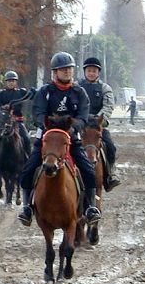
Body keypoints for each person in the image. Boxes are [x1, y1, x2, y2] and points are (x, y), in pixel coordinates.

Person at [18, 51, 101, 227]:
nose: (67, 72)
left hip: (71, 139)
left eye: (69, 69)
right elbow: (38, 113)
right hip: (47, 139)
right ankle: (27, 207)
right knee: (27, 170)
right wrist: (46, 126)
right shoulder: (44, 92)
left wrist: (72, 129)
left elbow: (83, 116)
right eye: (63, 70)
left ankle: (90, 208)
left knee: (88, 171)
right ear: (55, 72)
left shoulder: (79, 92)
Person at [78, 56, 121, 191]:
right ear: (84, 71)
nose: (91, 73)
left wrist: (99, 119)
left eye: (94, 71)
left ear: (98, 73)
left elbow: (108, 106)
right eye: (89, 70)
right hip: (80, 125)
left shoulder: (105, 88)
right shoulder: (77, 87)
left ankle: (110, 174)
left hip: (97, 125)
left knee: (111, 147)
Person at [0, 70, 35, 168]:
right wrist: (2, 110)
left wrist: (33, 92)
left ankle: (29, 159)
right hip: (4, 122)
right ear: (6, 82)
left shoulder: (21, 92)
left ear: (16, 82)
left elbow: (30, 96)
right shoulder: (1, 94)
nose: (11, 82)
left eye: (13, 81)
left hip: (18, 122)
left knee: (26, 138)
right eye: (9, 81)